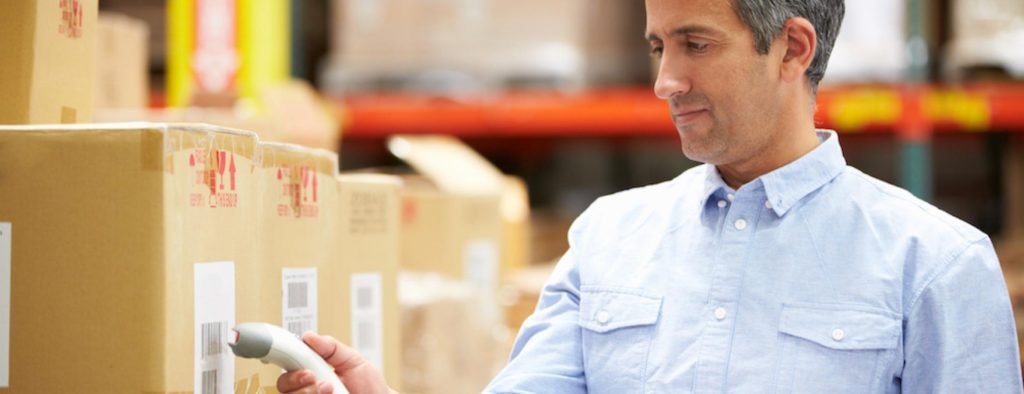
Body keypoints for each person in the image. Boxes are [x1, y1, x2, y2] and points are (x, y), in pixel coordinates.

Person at [278, 0, 1024, 392]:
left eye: (695, 44)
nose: (666, 81)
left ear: (792, 49)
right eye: (657, 47)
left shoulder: (934, 265)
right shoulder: (610, 237)